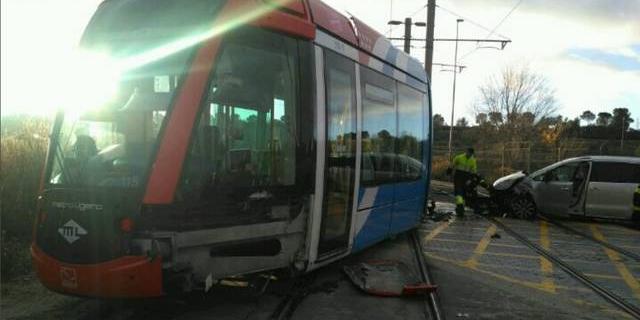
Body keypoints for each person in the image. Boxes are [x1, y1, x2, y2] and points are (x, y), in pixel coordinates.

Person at [450, 148, 477, 216]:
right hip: (458, 176)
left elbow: (473, 171)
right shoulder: (459, 157)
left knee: (463, 193)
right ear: (466, 152)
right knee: (459, 192)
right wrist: (450, 170)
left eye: (471, 154)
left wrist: (470, 180)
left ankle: (461, 207)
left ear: (472, 154)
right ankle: (460, 207)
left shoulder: (473, 160)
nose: (469, 154)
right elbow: (453, 165)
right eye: (469, 153)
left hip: (466, 178)